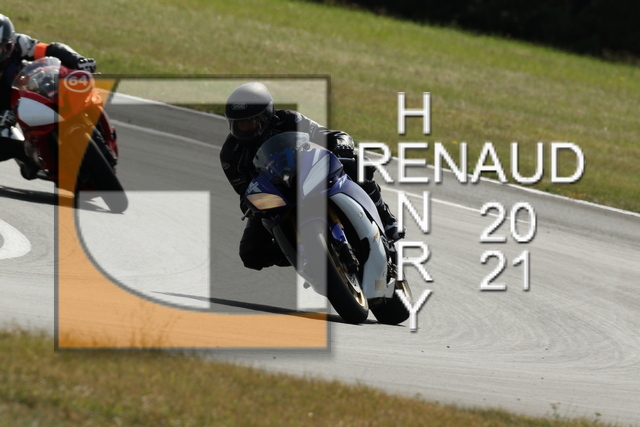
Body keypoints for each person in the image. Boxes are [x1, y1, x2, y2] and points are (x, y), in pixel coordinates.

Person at [220, 81, 404, 271]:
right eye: (239, 124)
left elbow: (328, 134)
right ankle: (303, 254)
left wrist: (341, 143)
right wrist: (252, 205)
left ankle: (386, 218)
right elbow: (244, 192)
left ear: (266, 115)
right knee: (251, 253)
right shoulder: (230, 154)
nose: (245, 128)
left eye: (251, 121)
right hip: (275, 196)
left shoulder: (289, 120)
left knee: (357, 163)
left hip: (309, 174)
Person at [0, 13, 96, 179]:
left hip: (31, 86)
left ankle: (89, 118)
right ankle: (30, 159)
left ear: (9, 43)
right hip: (5, 107)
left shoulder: (20, 42)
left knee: (72, 82)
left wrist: (78, 60)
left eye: (1, 48)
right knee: (4, 134)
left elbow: (51, 49)